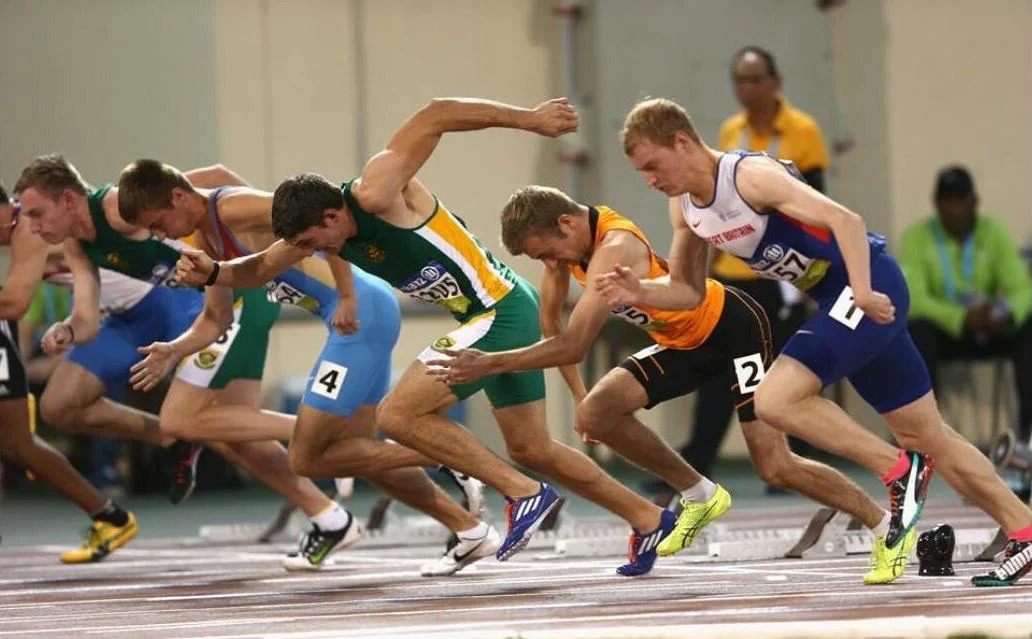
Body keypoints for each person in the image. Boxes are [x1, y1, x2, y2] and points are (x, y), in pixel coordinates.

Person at [176, 96, 676, 575]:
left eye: (311, 242)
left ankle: (524, 493)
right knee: (533, 448)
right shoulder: (323, 233)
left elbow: (437, 114)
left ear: (331, 215)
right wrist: (213, 272)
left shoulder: (377, 192)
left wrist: (528, 119)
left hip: (498, 309)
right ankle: (649, 519)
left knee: (397, 414)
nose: (310, 252)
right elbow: (260, 267)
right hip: (495, 311)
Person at [605, 97, 1032, 586]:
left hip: (866, 285)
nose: (650, 180)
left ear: (681, 141)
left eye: (653, 166)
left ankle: (899, 471)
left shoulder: (749, 178)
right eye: (641, 172)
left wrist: (864, 292)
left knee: (774, 400)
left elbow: (847, 221)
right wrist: (640, 292)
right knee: (927, 434)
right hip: (837, 296)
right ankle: (1024, 529)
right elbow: (687, 290)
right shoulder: (684, 208)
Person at [425, 184, 910, 582]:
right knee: (598, 412)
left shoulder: (615, 248)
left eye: (548, 252)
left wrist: (489, 363)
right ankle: (700, 494)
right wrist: (579, 398)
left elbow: (572, 346)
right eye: (542, 258)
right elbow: (552, 327)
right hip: (680, 343)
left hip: (732, 328)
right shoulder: (567, 251)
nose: (550, 262)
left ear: (566, 224)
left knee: (774, 465)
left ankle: (883, 522)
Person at [117, 158, 494, 576]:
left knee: (309, 456)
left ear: (178, 196)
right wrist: (173, 349)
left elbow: (315, 217)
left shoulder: (232, 207)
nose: (160, 235)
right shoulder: (207, 239)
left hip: (360, 315)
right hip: (358, 317)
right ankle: (469, 529)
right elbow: (215, 319)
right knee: (361, 455)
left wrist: (346, 295)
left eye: (158, 223)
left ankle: (444, 457)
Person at [13, 155, 357, 569]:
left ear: (68, 199)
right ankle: (329, 513)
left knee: (207, 421)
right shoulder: (74, 241)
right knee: (228, 427)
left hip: (213, 304)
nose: (30, 226)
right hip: (182, 311)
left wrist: (251, 240)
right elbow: (86, 318)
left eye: (36, 213)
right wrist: (67, 331)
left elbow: (211, 182)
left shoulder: (119, 206)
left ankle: (332, 437)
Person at [678, 46, 830, 488]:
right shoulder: (731, 131)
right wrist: (706, 274)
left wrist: (811, 273)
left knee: (788, 369)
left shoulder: (803, 130)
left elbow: (816, 202)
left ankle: (795, 465)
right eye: (740, 81)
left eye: (756, 79)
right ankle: (697, 461)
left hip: (783, 272)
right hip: (735, 271)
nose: (748, 89)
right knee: (720, 369)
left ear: (775, 82)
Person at [0, 182, 138, 563]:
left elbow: (14, 304)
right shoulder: (28, 226)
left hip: (137, 312)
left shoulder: (25, 226)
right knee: (19, 444)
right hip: (116, 313)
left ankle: (172, 442)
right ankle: (109, 515)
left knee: (21, 442)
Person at [901, 166, 1032, 476]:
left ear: (975, 202)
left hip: (989, 326)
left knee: (1028, 328)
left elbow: (1022, 289)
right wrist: (961, 317)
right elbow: (914, 299)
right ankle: (924, 440)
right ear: (936, 205)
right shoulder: (918, 238)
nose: (953, 209)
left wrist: (1006, 312)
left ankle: (1027, 439)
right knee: (917, 333)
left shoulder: (993, 233)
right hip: (946, 331)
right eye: (946, 201)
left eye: (960, 200)